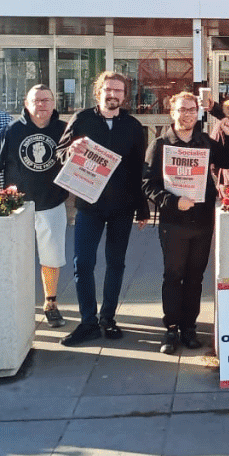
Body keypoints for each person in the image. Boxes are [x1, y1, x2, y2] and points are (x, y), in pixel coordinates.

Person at [57, 72, 150, 347]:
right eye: (108, 89)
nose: (113, 94)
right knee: (83, 263)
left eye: (118, 90)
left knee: (116, 263)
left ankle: (108, 318)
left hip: (123, 206)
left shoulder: (133, 126)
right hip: (89, 204)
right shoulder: (82, 119)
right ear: (98, 92)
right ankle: (88, 322)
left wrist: (143, 208)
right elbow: (60, 153)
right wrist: (70, 150)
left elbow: (139, 169)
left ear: (125, 95)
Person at [143, 92, 229, 354]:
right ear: (172, 113)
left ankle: (189, 327)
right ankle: (171, 328)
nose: (187, 115)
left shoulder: (205, 141)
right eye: (182, 109)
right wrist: (172, 201)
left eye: (192, 110)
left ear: (198, 112)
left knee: (195, 277)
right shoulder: (160, 144)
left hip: (202, 221)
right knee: (174, 276)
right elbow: (147, 184)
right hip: (173, 222)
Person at [0, 85, 69, 329]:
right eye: (36, 100)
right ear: (26, 103)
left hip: (52, 203)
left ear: (53, 103)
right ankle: (15, 304)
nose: (41, 104)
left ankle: (50, 303)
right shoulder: (12, 130)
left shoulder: (64, 130)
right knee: (16, 258)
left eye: (46, 100)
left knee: (51, 258)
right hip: (18, 207)